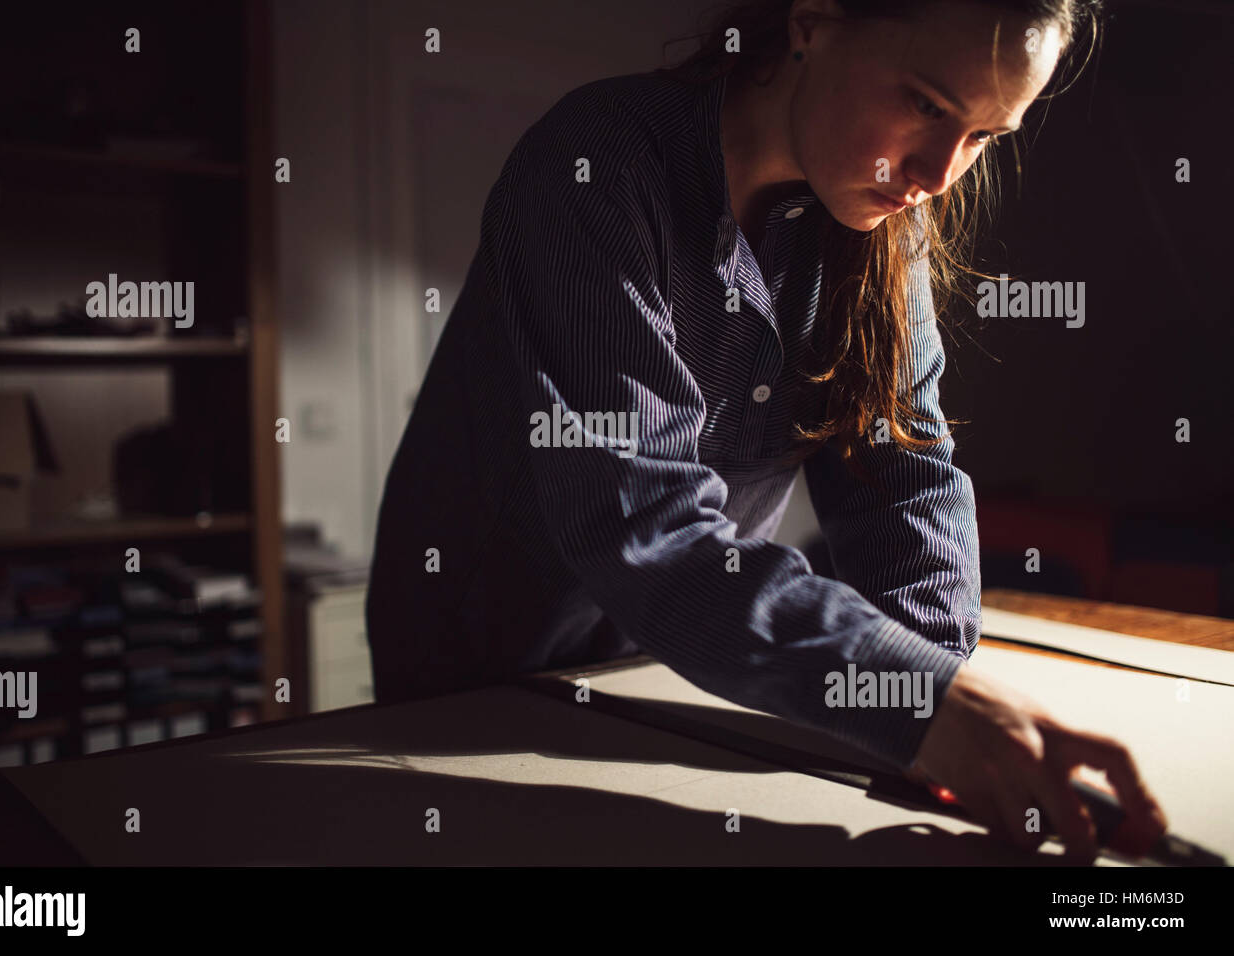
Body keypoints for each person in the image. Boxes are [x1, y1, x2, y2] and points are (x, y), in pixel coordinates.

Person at [366, 0, 1168, 862]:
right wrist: (914, 702)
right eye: (929, 105)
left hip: (683, 679)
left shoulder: (883, 219)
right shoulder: (594, 165)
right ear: (812, 20)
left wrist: (934, 696)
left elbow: (904, 473)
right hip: (477, 685)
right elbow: (644, 528)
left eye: (984, 137)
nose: (940, 172)